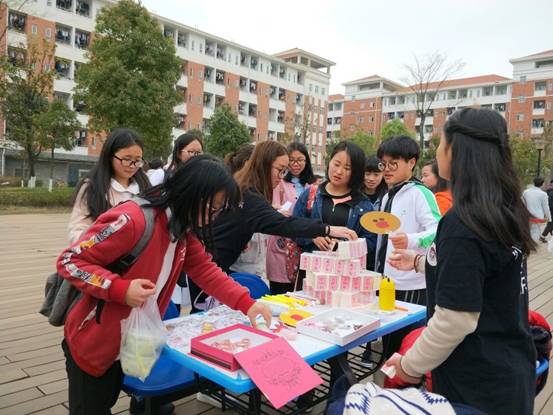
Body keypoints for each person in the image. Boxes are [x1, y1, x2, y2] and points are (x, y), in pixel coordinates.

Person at [57, 155, 271, 415]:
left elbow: (205, 271)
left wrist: (247, 304)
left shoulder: (181, 229)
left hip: (127, 340)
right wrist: (120, 288)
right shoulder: (132, 220)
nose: (212, 218)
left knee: (106, 401)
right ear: (190, 192)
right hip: (93, 340)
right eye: (211, 208)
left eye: (218, 210)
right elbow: (70, 261)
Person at [386, 108, 537, 415]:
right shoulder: (504, 208)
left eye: (441, 142)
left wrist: (409, 366)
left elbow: (455, 320)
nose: (437, 150)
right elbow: (480, 272)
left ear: (457, 151)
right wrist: (419, 262)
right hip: (512, 369)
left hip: (476, 383)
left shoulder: (463, 222)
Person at [187, 141, 358, 311]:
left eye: (285, 171)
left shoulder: (243, 186)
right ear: (264, 165)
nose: (281, 177)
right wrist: (327, 229)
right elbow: (284, 225)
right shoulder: (250, 196)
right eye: (280, 170)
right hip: (207, 266)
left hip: (212, 262)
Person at [293, 141, 377, 276]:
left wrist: (345, 247)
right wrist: (312, 237)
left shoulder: (363, 205)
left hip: (344, 276)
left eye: (347, 168)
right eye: (336, 164)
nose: (339, 171)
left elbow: (370, 242)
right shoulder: (311, 194)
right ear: (330, 162)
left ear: (356, 172)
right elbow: (293, 226)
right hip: (310, 274)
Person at [67, 128, 151, 244]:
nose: (132, 166)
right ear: (110, 156)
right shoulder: (93, 188)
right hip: (104, 253)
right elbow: (76, 230)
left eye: (138, 160)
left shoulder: (146, 187)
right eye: (126, 159)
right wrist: (98, 240)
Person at [266, 143, 316, 294]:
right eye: (292, 160)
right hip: (281, 239)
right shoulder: (278, 181)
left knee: (301, 290)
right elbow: (269, 204)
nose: (295, 164)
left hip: (304, 240)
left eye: (300, 160)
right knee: (280, 290)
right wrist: (278, 210)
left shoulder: (312, 185)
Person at [521, 176, 552, 242]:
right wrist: (549, 218)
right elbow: (546, 207)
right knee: (535, 233)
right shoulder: (543, 194)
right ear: (542, 184)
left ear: (533, 183)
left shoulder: (525, 192)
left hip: (527, 215)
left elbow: (522, 203)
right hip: (538, 217)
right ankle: (531, 245)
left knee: (527, 231)